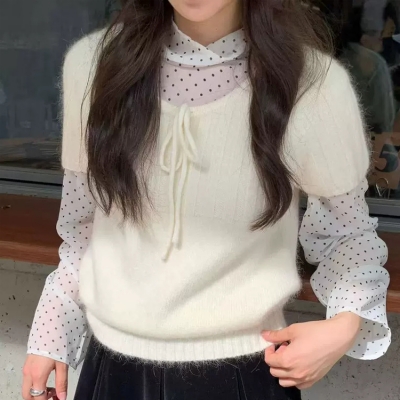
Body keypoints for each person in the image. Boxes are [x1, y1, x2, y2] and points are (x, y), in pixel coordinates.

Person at [22, 1, 391, 399]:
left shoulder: (314, 85)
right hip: (113, 371)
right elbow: (85, 230)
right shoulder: (93, 67)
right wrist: (51, 332)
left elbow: (348, 234)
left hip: (243, 375)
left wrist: (344, 325)